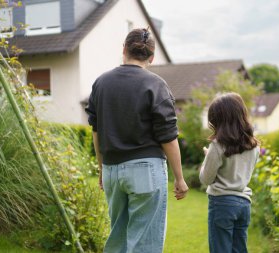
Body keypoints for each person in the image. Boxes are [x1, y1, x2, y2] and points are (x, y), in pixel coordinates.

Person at [85, 27, 189, 253]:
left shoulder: (101, 83)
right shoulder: (156, 85)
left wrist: (102, 169)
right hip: (146, 172)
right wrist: (179, 178)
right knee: (145, 244)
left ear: (124, 49)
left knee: (118, 240)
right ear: (152, 57)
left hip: (112, 170)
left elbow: (96, 131)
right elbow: (168, 137)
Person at [199, 92, 260, 253]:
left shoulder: (217, 145)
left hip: (222, 204)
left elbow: (206, 178)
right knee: (239, 249)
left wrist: (206, 160)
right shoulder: (254, 145)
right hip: (244, 204)